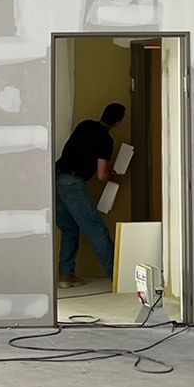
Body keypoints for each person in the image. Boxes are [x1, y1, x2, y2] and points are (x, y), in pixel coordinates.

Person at [55, 102, 125, 287]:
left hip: (56, 179)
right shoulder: (106, 139)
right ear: (118, 123)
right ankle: (118, 279)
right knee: (97, 230)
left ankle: (66, 276)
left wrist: (108, 171)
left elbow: (79, 152)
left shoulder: (84, 125)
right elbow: (102, 175)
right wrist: (115, 178)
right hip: (72, 184)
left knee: (69, 229)